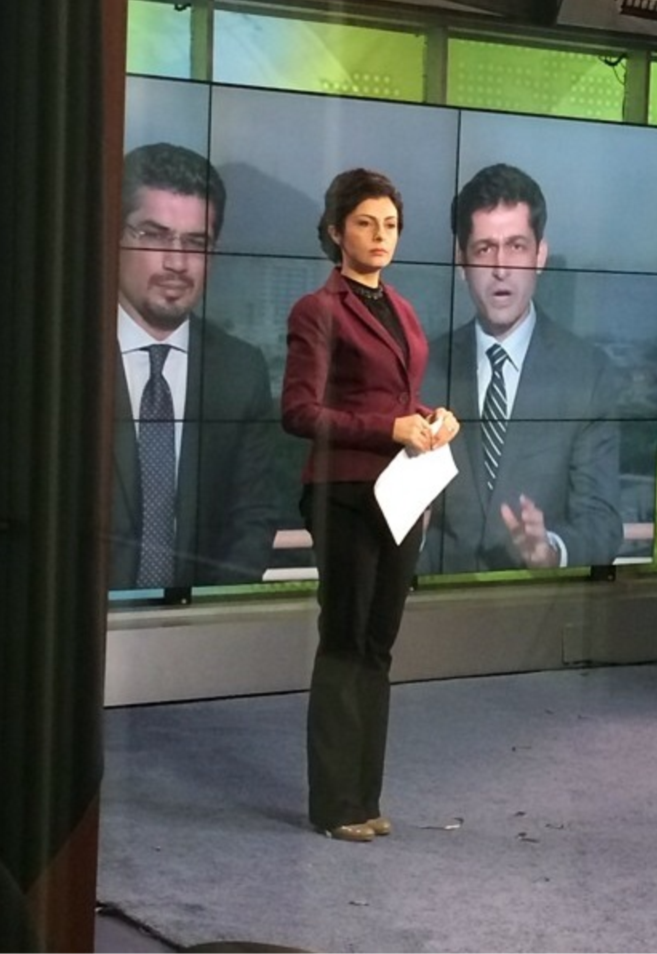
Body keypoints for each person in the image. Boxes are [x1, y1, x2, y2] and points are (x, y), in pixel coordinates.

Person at [281, 168, 459, 842]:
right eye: (365, 223)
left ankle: (364, 797)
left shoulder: (403, 309)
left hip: (403, 491)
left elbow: (396, 397)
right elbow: (299, 411)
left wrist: (433, 417)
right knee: (345, 640)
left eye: (389, 224)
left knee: (378, 647)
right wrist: (388, 428)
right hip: (344, 494)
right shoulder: (316, 310)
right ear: (334, 232)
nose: (380, 235)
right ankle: (334, 804)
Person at [420, 163, 623, 574]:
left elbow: (602, 524)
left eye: (516, 246)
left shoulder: (588, 374)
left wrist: (549, 550)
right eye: (483, 249)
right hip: (434, 616)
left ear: (540, 256)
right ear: (461, 264)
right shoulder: (424, 368)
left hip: (539, 615)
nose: (500, 267)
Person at [112, 142, 278, 590]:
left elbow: (253, 522)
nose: (177, 262)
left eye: (195, 243)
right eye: (154, 234)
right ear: (117, 235)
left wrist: (204, 617)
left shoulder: (241, 372)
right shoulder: (62, 360)